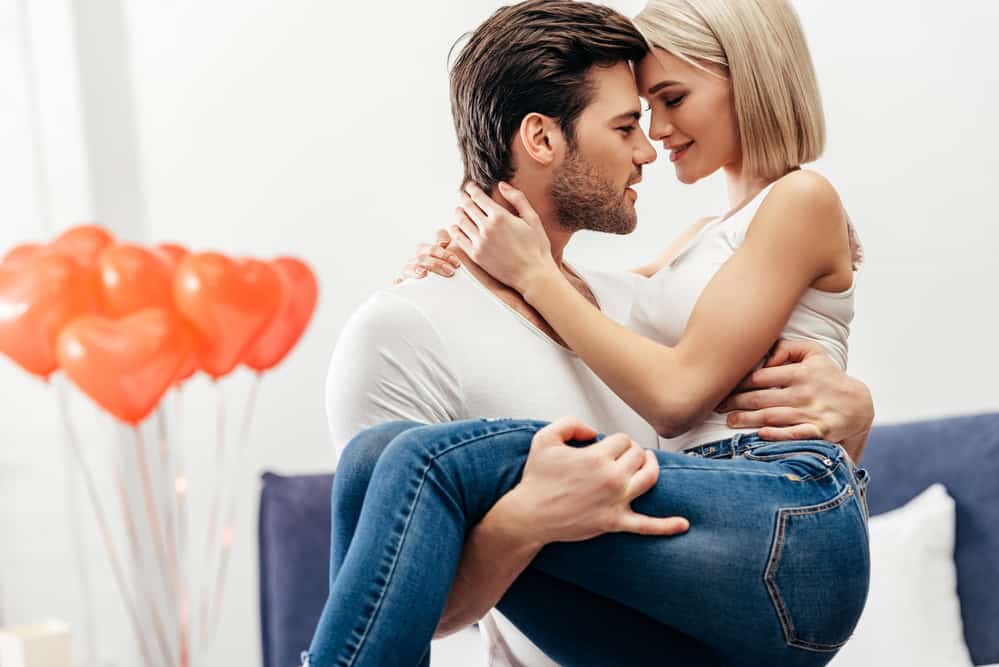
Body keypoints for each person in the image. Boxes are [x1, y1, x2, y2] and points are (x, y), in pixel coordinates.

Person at [308, 1, 873, 665]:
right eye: (633, 118)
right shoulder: (661, 269)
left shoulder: (799, 199)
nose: (652, 141)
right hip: (689, 590)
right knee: (376, 456)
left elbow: (678, 391)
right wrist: (468, 256)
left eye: (667, 100)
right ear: (543, 139)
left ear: (745, 79)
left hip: (777, 516)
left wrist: (856, 407)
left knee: (419, 459)